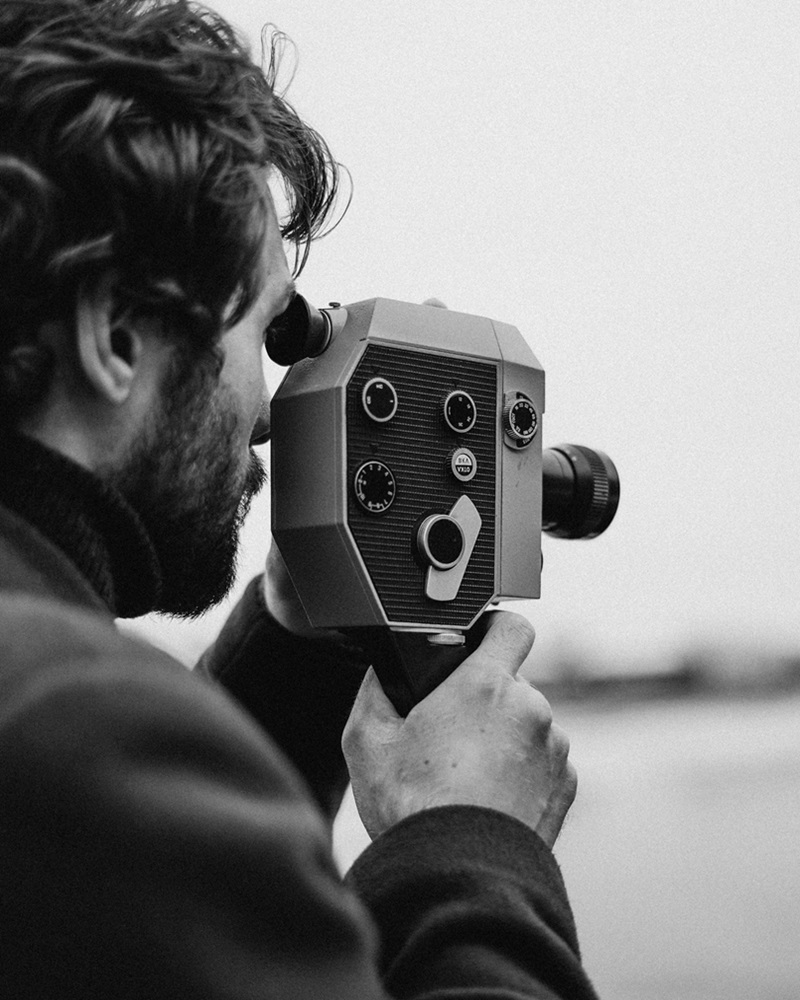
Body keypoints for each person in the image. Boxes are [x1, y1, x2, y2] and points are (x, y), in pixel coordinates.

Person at [0, 1, 599, 996]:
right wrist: (473, 841)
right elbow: (100, 765)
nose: (275, 415)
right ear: (113, 338)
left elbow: (154, 888)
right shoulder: (70, 722)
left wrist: (302, 627)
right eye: (263, 336)